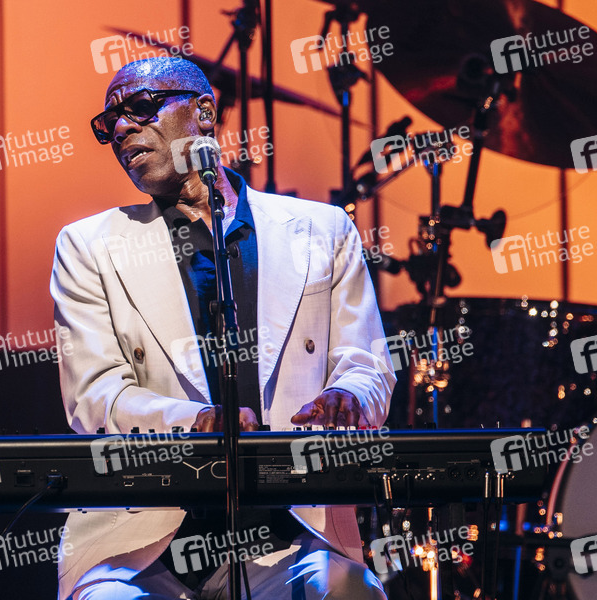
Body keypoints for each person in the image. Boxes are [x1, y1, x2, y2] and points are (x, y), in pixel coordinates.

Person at [50, 56, 395, 600]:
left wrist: (349, 397)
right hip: (142, 544)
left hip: (290, 532)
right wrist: (196, 422)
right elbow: (95, 396)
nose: (120, 129)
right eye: (109, 121)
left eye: (139, 107)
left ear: (205, 113)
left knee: (350, 592)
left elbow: (367, 362)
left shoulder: (322, 229)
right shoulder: (88, 245)